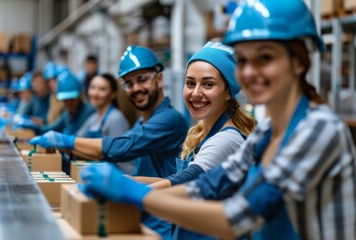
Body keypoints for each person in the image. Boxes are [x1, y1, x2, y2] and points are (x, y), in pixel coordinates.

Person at [77, 1, 356, 239]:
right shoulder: (268, 132)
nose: (249, 72)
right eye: (243, 61)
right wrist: (128, 185)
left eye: (265, 57)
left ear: (299, 61)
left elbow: (240, 217)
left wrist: (138, 196)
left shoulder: (318, 130)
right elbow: (211, 183)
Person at [30, 45, 189, 238]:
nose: (136, 88)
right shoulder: (141, 121)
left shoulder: (170, 119)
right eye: (129, 83)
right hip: (138, 211)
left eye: (142, 79)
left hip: (162, 220)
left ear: (160, 79)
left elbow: (122, 147)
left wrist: (66, 140)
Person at [134, 42, 255, 239]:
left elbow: (188, 180)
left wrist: (131, 193)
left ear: (227, 92)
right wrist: (133, 181)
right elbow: (175, 180)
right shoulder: (201, 132)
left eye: (208, 84)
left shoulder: (227, 139)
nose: (196, 93)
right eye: (190, 83)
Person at [77, 73, 132, 174]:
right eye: (92, 87)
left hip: (117, 178)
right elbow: (77, 140)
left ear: (113, 94)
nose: (95, 93)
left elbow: (122, 161)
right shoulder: (94, 118)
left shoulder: (115, 119)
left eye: (102, 89)